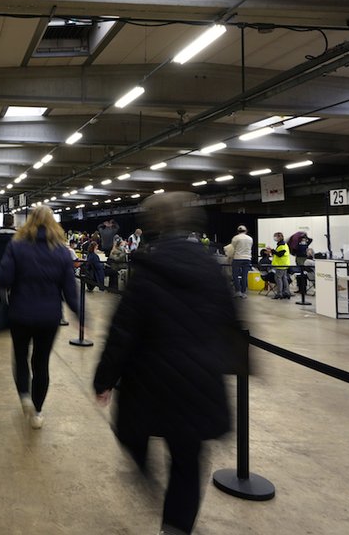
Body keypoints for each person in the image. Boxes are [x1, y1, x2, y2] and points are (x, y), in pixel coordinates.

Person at [93, 191, 243, 535]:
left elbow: (122, 332)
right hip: (200, 381)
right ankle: (175, 527)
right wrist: (236, 367)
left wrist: (104, 380)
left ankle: (145, 472)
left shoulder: (146, 269)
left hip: (149, 382)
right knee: (188, 462)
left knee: (131, 433)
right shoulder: (211, 269)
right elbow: (230, 321)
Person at [0, 205, 80, 429]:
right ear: (52, 223)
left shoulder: (17, 246)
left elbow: (4, 278)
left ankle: (24, 395)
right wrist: (80, 314)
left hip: (20, 314)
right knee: (41, 364)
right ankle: (38, 412)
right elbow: (70, 290)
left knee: (21, 357)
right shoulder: (61, 251)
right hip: (49, 317)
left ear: (29, 221)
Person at [229, 225, 254, 299]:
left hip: (237, 258)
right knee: (244, 276)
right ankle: (243, 292)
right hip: (247, 258)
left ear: (238, 231)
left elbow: (232, 248)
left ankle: (238, 291)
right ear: (246, 231)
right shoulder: (250, 238)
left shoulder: (235, 238)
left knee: (235, 275)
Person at [270, 232, 292, 299]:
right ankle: (286, 292)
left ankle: (279, 293)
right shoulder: (283, 244)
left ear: (279, 237)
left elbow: (280, 254)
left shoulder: (282, 245)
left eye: (276, 236)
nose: (275, 238)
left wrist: (273, 251)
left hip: (281, 264)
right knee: (284, 278)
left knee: (278, 278)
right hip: (284, 264)